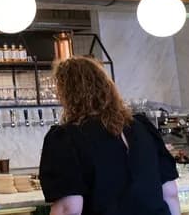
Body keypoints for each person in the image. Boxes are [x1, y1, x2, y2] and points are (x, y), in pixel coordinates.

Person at [39, 56, 181, 215]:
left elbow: (68, 209)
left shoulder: (66, 138)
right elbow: (170, 194)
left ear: (67, 95)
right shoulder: (143, 127)